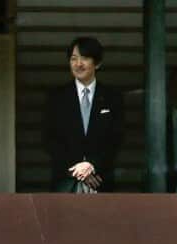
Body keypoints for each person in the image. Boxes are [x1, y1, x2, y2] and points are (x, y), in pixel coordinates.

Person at [42, 37, 126, 193]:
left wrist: (92, 165)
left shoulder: (112, 97)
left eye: (85, 58)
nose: (78, 64)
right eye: (74, 59)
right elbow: (49, 139)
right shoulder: (57, 97)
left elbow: (116, 139)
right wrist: (79, 170)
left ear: (97, 63)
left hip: (100, 180)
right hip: (65, 182)